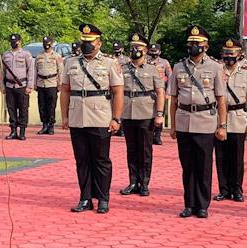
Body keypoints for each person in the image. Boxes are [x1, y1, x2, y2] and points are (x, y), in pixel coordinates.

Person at [61, 23, 123, 214]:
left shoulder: (110, 62)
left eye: (90, 41)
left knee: (101, 159)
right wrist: (64, 116)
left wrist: (116, 118)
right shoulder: (70, 62)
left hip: (100, 117)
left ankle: (103, 198)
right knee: (82, 160)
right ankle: (85, 198)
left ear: (99, 43)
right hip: (77, 116)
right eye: (84, 40)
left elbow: (118, 91)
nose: (86, 44)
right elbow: (65, 90)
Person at [168, 24, 227, 218]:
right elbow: (174, 99)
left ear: (206, 46)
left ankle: (202, 205)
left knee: (203, 166)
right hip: (184, 120)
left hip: (205, 121)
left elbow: (221, 98)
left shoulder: (216, 67)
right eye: (191, 43)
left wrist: (222, 125)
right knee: (188, 166)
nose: (194, 46)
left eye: (198, 43)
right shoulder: (178, 67)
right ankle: (189, 204)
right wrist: (173, 126)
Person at [120, 33, 165, 197]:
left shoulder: (153, 69)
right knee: (131, 150)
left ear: (145, 50)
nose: (134, 50)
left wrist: (159, 114)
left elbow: (160, 92)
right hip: (127, 112)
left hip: (146, 113)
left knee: (145, 150)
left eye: (138, 47)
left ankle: (144, 183)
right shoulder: (123, 68)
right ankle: (133, 182)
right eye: (132, 47)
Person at [213, 39, 247, 202]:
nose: (228, 56)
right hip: (219, 120)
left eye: (232, 53)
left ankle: (237, 189)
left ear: (239, 55)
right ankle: (223, 189)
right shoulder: (216, 72)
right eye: (225, 53)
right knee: (221, 157)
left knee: (237, 158)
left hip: (239, 118)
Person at [0, 33, 35, 140]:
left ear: (20, 41)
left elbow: (31, 70)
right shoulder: (6, 55)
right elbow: (2, 71)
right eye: (11, 41)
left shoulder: (26, 54)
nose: (13, 43)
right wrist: (1, 85)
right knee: (11, 109)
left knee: (23, 109)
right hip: (10, 85)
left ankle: (22, 131)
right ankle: (13, 131)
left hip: (22, 85)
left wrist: (30, 86)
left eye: (15, 41)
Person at [35, 36, 63, 135]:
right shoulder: (39, 56)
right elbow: (35, 71)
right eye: (44, 43)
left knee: (51, 106)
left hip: (52, 83)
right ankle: (44, 125)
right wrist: (35, 83)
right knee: (42, 106)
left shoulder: (57, 56)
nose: (46, 44)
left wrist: (60, 84)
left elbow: (61, 71)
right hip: (41, 83)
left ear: (51, 44)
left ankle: (51, 126)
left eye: (48, 43)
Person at [147, 43, 172, 145]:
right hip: (148, 92)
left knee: (160, 113)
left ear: (159, 52)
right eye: (151, 51)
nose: (153, 53)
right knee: (150, 113)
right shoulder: (145, 61)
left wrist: (169, 91)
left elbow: (170, 77)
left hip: (161, 92)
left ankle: (157, 136)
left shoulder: (164, 63)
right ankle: (150, 134)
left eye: (155, 51)